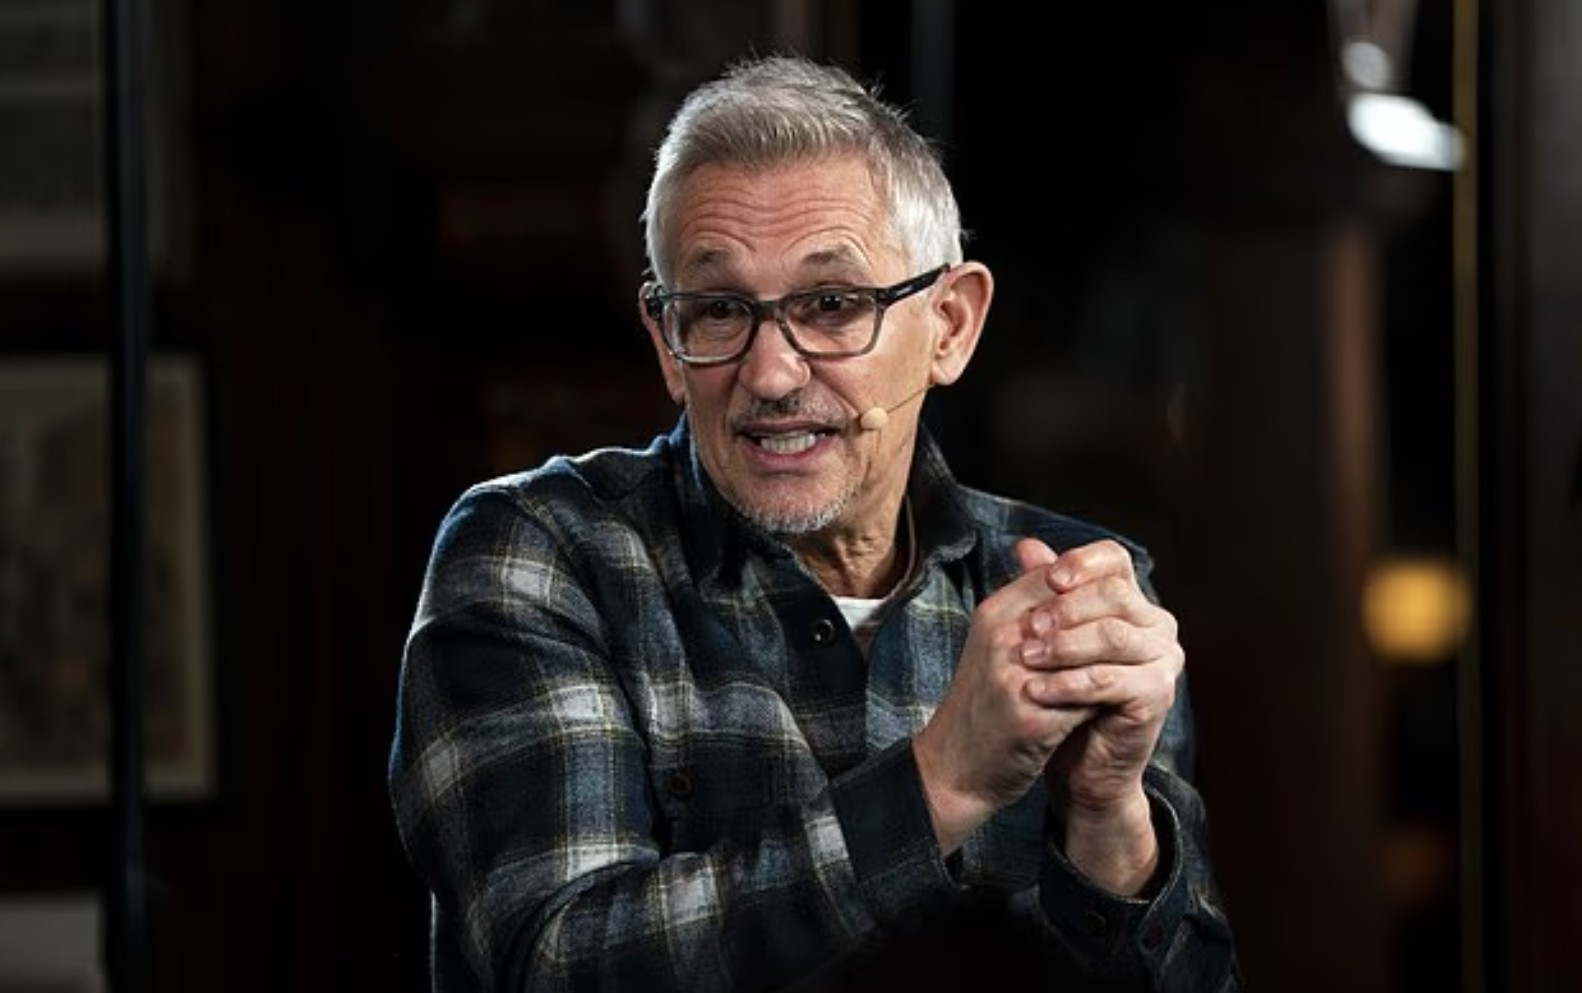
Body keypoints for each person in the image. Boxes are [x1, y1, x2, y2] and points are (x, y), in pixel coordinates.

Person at [388, 52, 1242, 992]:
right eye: (719, 310)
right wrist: (944, 780)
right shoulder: (541, 553)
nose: (769, 374)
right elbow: (555, 965)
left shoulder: (1075, 586)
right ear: (667, 343)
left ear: (952, 325)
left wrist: (1108, 817)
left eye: (833, 306)